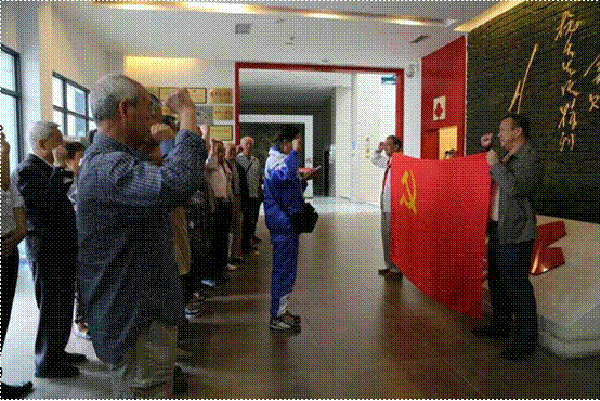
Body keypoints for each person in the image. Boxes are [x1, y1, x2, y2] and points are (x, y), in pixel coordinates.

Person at [77, 74, 206, 398]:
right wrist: (188, 115)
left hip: (139, 314)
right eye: (148, 109)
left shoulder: (118, 160)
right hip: (136, 321)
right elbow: (177, 182)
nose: (152, 119)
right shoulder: (107, 167)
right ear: (124, 109)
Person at [12, 121, 86, 378]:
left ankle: (58, 351)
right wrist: (57, 167)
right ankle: (46, 362)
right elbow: (44, 203)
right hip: (46, 248)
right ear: (43, 145)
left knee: (63, 303)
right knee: (51, 307)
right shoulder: (26, 170)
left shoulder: (47, 167)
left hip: (62, 245)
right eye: (57, 140)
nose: (62, 145)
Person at [472, 113, 543, 360]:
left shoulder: (530, 157)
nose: (499, 134)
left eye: (503, 130)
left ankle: (526, 340)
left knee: (517, 286)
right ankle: (500, 325)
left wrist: (495, 165)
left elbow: (516, 187)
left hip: (516, 232)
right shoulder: (508, 156)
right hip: (498, 229)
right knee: (497, 282)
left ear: (517, 132)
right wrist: (488, 151)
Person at [263, 126, 317, 332]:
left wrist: (303, 181)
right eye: (296, 142)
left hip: (287, 225)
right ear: (286, 143)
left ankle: (282, 310)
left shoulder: (280, 161)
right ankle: (276, 316)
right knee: (283, 271)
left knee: (288, 270)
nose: (298, 146)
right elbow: (283, 178)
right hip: (282, 225)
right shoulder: (274, 162)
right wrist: (294, 153)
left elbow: (287, 188)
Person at [1, 126, 34, 398]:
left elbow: (14, 197)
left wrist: (20, 230)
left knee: (2, 317)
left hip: (8, 244)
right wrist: (4, 157)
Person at [62, 140, 91, 341]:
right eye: (81, 158)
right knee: (77, 283)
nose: (83, 162)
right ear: (69, 160)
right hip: (73, 237)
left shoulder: (78, 177)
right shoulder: (67, 180)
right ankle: (78, 323)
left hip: (83, 236)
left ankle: (83, 319)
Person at [371, 135, 403, 278]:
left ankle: (397, 269)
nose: (386, 147)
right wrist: (378, 150)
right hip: (385, 202)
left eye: (388, 145)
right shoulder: (388, 161)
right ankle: (389, 265)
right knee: (385, 235)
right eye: (385, 144)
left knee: (394, 236)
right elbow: (374, 159)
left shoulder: (401, 162)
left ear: (396, 147)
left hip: (394, 204)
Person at [204, 138, 233, 285]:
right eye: (218, 150)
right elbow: (210, 162)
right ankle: (213, 273)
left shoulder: (223, 165)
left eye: (222, 150)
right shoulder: (210, 163)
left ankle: (221, 269)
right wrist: (213, 150)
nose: (220, 153)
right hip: (215, 204)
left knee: (222, 239)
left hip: (224, 202)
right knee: (215, 241)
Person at [237, 136, 262, 255]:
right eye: (246, 143)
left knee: (253, 220)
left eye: (250, 143)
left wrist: (259, 191)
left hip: (255, 195)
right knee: (245, 222)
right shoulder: (237, 159)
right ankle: (244, 246)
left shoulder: (256, 160)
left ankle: (250, 240)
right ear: (241, 145)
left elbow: (259, 177)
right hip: (244, 196)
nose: (249, 145)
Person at [224, 142, 244, 267]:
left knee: (237, 227)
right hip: (229, 199)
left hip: (237, 197)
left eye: (233, 150)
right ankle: (228, 256)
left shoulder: (235, 164)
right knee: (230, 229)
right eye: (230, 150)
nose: (232, 153)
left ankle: (235, 254)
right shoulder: (225, 164)